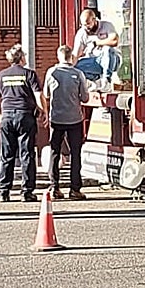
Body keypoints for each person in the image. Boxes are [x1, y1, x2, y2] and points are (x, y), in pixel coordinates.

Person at [0, 44, 46, 202]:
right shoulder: (29, 74)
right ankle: (27, 191)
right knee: (27, 154)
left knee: (6, 155)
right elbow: (38, 95)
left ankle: (4, 191)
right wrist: (44, 111)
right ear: (21, 58)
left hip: (7, 116)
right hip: (25, 116)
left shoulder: (2, 75)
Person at [42, 45, 91, 200]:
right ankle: (75, 189)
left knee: (54, 152)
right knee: (75, 153)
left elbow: (46, 94)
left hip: (56, 118)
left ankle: (54, 186)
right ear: (71, 57)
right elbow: (85, 98)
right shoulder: (78, 74)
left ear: (58, 56)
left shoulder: (51, 72)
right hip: (74, 119)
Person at [72, 8, 120, 90]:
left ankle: (107, 81)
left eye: (88, 24)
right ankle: (95, 81)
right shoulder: (81, 33)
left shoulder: (106, 26)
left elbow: (114, 41)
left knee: (107, 49)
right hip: (94, 61)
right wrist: (67, 66)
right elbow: (76, 54)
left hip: (111, 60)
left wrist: (96, 43)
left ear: (94, 20)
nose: (86, 27)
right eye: (83, 25)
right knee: (76, 67)